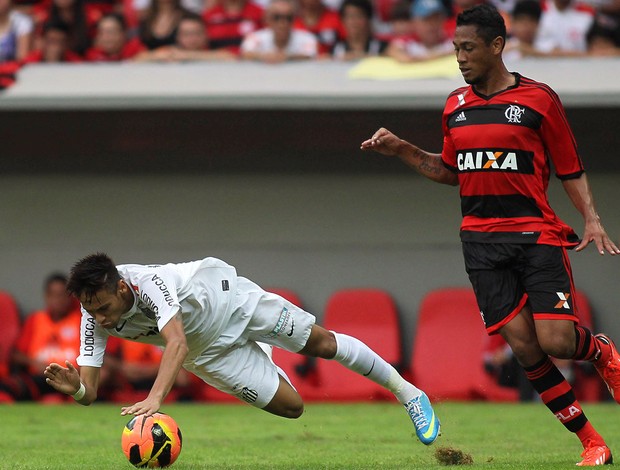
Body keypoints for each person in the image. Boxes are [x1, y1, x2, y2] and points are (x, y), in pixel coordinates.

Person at [361, 4, 620, 466]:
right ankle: (591, 442)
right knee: (524, 348)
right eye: (455, 48)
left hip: (535, 234)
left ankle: (599, 352)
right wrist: (402, 150)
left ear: (496, 46)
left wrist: (593, 219)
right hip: (480, 242)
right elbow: (451, 171)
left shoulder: (539, 99)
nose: (459, 57)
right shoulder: (455, 106)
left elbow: (569, 167)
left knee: (559, 342)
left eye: (468, 47)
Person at [44, 253, 440, 446]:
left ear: (121, 288)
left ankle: (409, 394)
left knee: (322, 343)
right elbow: (91, 392)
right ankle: (263, 354)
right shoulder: (91, 315)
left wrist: (155, 398)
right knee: (292, 407)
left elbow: (174, 341)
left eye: (104, 308)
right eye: (90, 310)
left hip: (233, 303)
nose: (100, 319)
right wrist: (76, 389)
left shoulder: (149, 282)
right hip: (208, 353)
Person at [0, 273, 81, 401]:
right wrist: (34, 363)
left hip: (71, 380)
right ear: (46, 296)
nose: (57, 300)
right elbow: (15, 354)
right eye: (53, 295)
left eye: (61, 295)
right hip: (40, 378)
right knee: (8, 386)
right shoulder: (35, 320)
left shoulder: (81, 321)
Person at [135, 11, 235, 60]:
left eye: (197, 33)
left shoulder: (213, 50)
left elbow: (231, 58)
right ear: (178, 37)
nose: (192, 38)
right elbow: (138, 59)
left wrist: (188, 55)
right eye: (186, 34)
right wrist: (157, 56)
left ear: (206, 35)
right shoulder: (172, 51)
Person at [240, 0, 318, 62]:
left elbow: (309, 56)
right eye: (276, 17)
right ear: (267, 19)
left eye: (288, 18)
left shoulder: (307, 38)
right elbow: (245, 54)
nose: (283, 23)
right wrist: (265, 56)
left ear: (294, 19)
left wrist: (286, 57)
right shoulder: (254, 37)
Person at [386, 0, 453, 62]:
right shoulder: (407, 43)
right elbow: (396, 53)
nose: (433, 25)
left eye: (436, 19)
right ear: (415, 22)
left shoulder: (452, 39)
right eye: (427, 20)